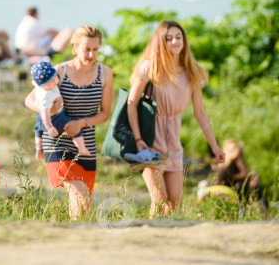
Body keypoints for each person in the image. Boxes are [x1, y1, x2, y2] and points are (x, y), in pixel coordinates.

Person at [127, 20, 225, 217]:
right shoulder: (150, 68)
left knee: (174, 202)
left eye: (178, 37)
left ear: (184, 41)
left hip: (173, 141)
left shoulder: (192, 72)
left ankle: (165, 241)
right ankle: (150, 236)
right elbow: (131, 103)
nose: (174, 42)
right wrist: (138, 141)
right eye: (169, 38)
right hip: (149, 140)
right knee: (160, 199)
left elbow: (200, 112)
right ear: (160, 42)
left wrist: (214, 146)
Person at [24, 26, 113, 219]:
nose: (91, 54)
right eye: (86, 49)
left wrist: (80, 124)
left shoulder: (105, 73)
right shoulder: (59, 71)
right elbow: (29, 100)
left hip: (84, 141)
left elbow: (105, 113)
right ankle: (78, 232)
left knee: (83, 197)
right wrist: (49, 110)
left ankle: (75, 233)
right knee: (79, 192)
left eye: (95, 49)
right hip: (56, 139)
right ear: (74, 47)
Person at [31, 60, 90, 160]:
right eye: (50, 81)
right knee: (73, 126)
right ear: (42, 85)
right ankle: (81, 148)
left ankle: (38, 149)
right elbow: (45, 114)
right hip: (54, 119)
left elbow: (35, 83)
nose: (54, 81)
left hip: (39, 118)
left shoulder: (41, 87)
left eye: (55, 77)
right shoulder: (46, 95)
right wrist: (49, 127)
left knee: (38, 130)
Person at [212, 138, 267, 210]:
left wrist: (254, 176)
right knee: (251, 187)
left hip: (236, 186)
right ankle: (259, 209)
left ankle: (261, 209)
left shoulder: (237, 161)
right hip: (227, 188)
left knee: (255, 187)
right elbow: (241, 174)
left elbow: (246, 173)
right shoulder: (223, 163)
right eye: (230, 150)